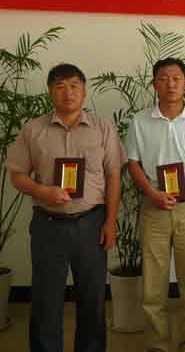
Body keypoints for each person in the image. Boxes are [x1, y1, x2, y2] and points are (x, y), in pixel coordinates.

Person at [7, 63, 123, 352]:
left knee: (92, 298)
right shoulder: (33, 129)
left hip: (92, 224)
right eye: (60, 86)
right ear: (50, 92)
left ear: (84, 91)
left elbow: (113, 175)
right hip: (48, 225)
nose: (67, 92)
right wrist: (42, 191)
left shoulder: (102, 128)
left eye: (74, 85)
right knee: (45, 299)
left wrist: (110, 222)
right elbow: (17, 176)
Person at [125, 57, 185, 352]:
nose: (170, 84)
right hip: (154, 209)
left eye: (176, 78)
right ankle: (158, 345)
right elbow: (132, 162)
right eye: (163, 78)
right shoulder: (140, 121)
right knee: (153, 286)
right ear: (155, 84)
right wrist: (151, 193)